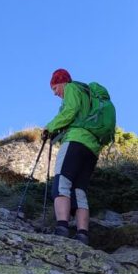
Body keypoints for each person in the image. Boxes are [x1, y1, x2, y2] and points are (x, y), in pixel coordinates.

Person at [41, 68, 104, 244]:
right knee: (79, 189)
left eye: (54, 88)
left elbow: (70, 110)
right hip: (92, 148)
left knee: (62, 182)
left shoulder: (71, 88)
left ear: (62, 82)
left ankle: (62, 227)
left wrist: (50, 127)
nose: (55, 93)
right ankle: (82, 234)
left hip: (75, 140)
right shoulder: (88, 95)